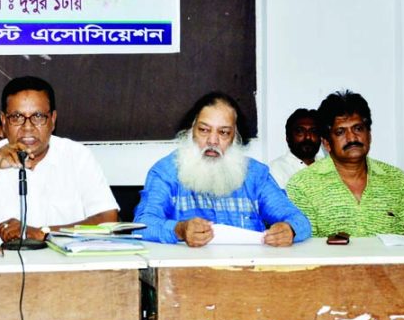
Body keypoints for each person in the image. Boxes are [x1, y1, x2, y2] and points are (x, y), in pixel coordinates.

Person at [0, 76, 119, 246]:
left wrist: (43, 232)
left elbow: (108, 222)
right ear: (4, 121)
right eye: (17, 117)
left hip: (66, 270)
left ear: (53, 120)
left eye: (38, 116)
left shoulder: (77, 157)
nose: (28, 127)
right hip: (2, 271)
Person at [133, 92, 310, 247]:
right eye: (204, 130)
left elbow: (299, 221)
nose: (212, 141)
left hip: (249, 276)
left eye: (224, 132)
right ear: (191, 131)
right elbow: (142, 226)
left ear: (236, 137)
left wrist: (289, 230)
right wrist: (179, 230)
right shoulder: (165, 173)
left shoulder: (255, 175)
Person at [287, 90, 404, 237]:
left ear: (369, 135)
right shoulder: (302, 185)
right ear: (327, 143)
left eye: (358, 128)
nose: (352, 137)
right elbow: (306, 249)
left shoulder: (396, 179)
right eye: (340, 132)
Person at [269, 108, 323, 188]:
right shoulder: (276, 170)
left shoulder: (329, 166)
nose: (308, 137)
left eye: (313, 131)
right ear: (288, 137)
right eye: (300, 131)